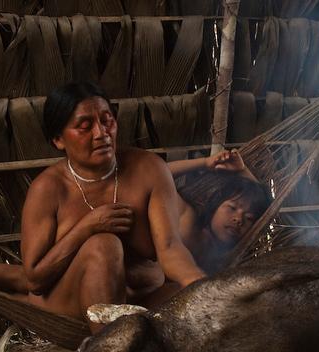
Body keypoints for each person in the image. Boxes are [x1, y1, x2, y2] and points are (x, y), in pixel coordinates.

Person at [20, 81, 205, 332]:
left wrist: (200, 284)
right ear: (58, 140)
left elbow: (170, 247)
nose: (101, 133)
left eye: (107, 121)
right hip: (69, 306)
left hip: (137, 302)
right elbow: (35, 279)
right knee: (104, 245)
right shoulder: (48, 189)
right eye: (85, 127)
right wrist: (87, 228)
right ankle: (113, 350)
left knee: (191, 296)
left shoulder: (149, 169)